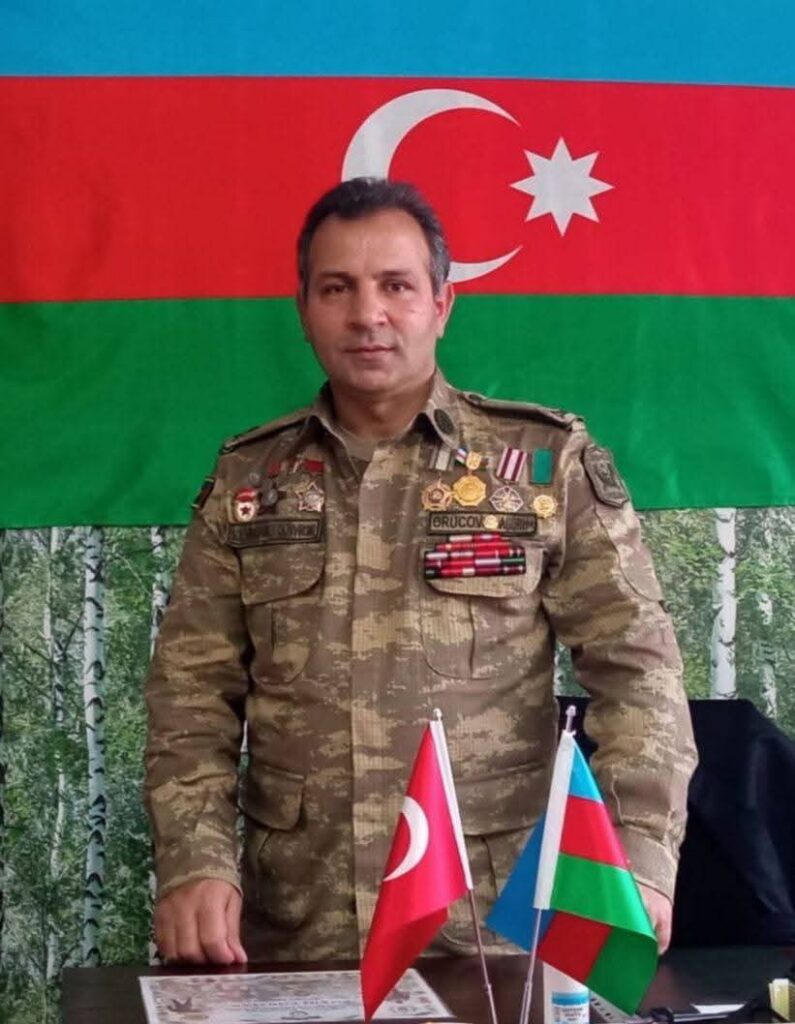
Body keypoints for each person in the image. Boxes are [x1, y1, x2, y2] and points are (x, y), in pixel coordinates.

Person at [144, 176, 697, 968]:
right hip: (298, 926)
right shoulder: (250, 481)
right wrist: (193, 860)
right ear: (303, 310)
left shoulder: (543, 466)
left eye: (396, 286)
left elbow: (637, 671)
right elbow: (190, 695)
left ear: (441, 304)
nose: (367, 314)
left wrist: (633, 859)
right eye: (337, 288)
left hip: (493, 929)